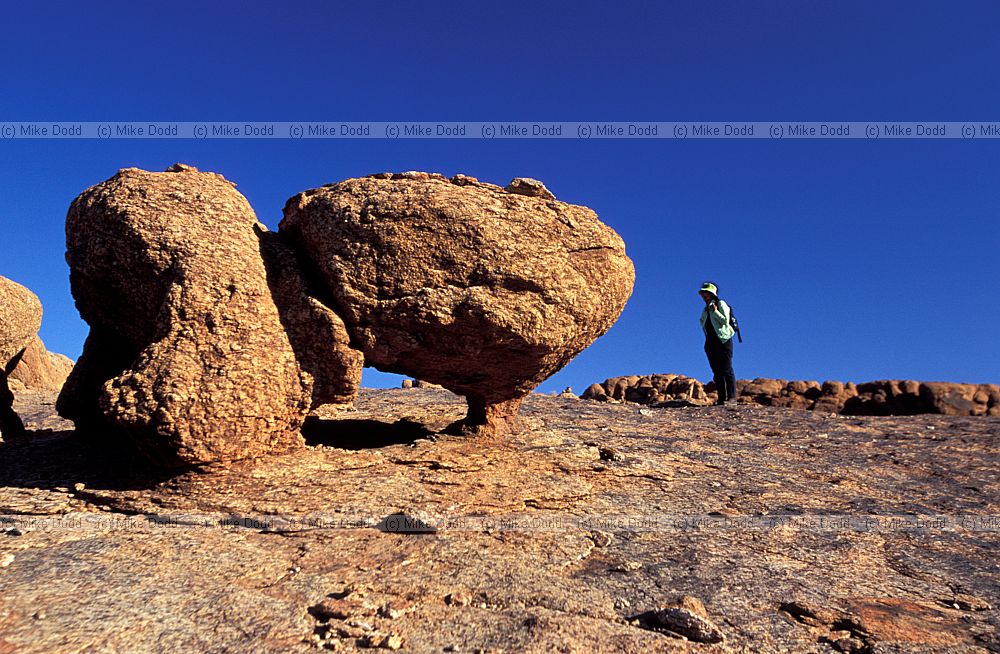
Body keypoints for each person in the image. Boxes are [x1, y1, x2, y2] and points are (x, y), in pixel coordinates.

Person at [698, 281, 737, 406]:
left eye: (706, 293)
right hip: (710, 342)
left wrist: (715, 312)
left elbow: (725, 321)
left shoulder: (721, 304)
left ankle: (731, 398)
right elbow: (703, 324)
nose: (704, 296)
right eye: (703, 293)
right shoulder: (705, 310)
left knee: (726, 369)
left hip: (724, 340)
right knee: (716, 371)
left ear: (712, 294)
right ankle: (722, 398)